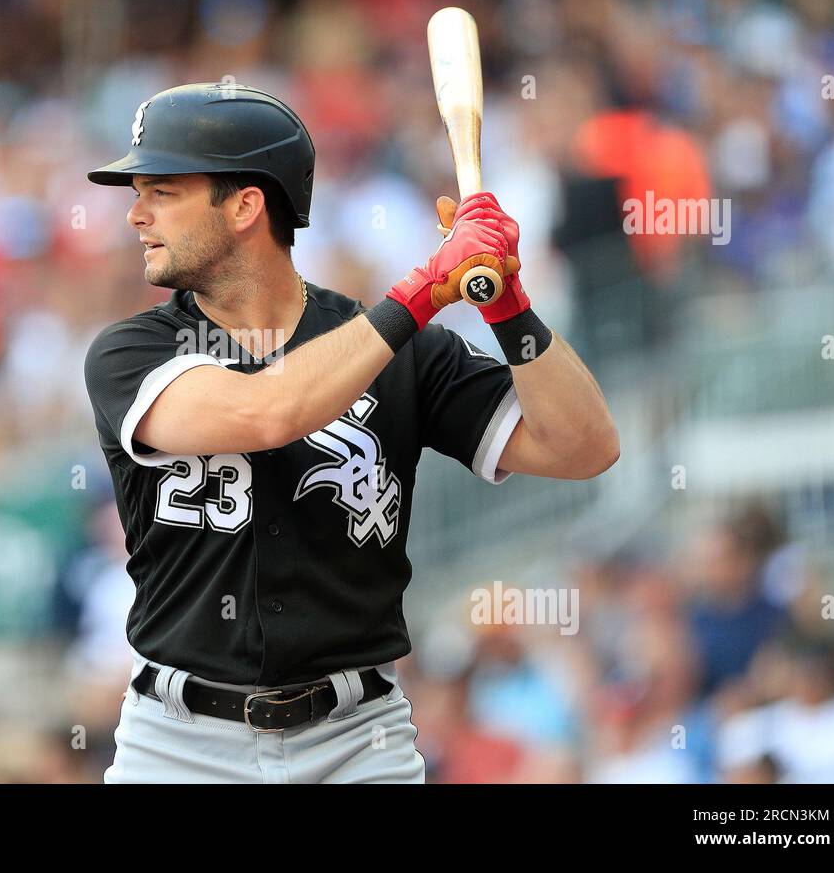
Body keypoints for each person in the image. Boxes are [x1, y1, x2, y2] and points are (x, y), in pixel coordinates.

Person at [82, 81, 618, 783]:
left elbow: (584, 447)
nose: (137, 213)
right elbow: (267, 412)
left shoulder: (401, 350)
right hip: (180, 745)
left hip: (356, 739)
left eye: (163, 191)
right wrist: (427, 288)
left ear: (246, 206)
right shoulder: (133, 350)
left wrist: (507, 300)